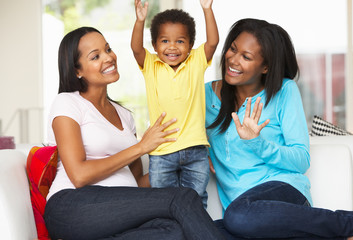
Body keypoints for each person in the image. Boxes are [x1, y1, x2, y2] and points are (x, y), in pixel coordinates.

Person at [43, 26, 224, 240]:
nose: (109, 58)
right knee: (182, 199)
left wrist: (181, 159)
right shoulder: (68, 102)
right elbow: (79, 175)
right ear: (77, 71)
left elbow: (136, 180)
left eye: (108, 49)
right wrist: (141, 147)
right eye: (96, 56)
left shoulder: (124, 115)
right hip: (73, 206)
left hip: (115, 213)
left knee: (175, 231)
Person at [205, 18, 353, 240]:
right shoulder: (204, 96)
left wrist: (257, 142)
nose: (233, 60)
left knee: (238, 216)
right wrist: (202, 152)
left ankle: (351, 222)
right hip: (244, 215)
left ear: (265, 66)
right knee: (196, 231)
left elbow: (301, 159)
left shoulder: (284, 91)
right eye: (233, 49)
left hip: (282, 194)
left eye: (246, 57)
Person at [130, 0, 219, 208]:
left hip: (195, 150)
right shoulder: (151, 64)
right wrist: (139, 21)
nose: (172, 47)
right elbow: (135, 49)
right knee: (163, 205)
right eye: (164, 41)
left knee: (195, 203)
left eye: (180, 41)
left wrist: (207, 10)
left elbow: (213, 43)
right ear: (154, 45)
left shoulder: (196, 61)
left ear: (190, 45)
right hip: (162, 153)